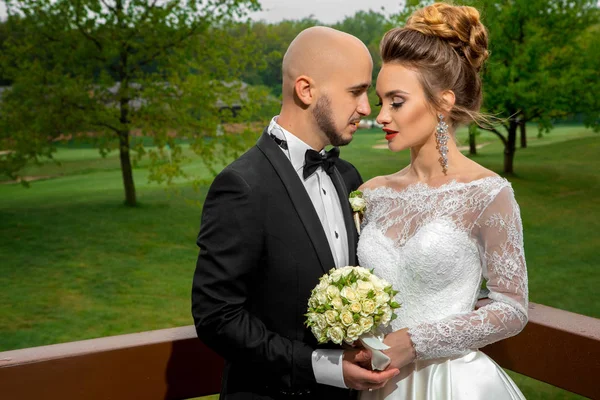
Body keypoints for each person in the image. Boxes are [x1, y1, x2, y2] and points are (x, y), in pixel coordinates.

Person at [192, 26, 400, 400]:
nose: (367, 108)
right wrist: (322, 366)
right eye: (356, 92)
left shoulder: (348, 176)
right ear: (306, 90)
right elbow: (217, 317)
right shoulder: (242, 186)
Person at [357, 3, 528, 399]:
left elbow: (512, 308)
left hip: (453, 384)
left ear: (444, 102)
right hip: (379, 385)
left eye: (395, 101)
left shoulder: (488, 193)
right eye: (379, 101)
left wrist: (415, 342)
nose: (380, 116)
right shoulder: (371, 194)